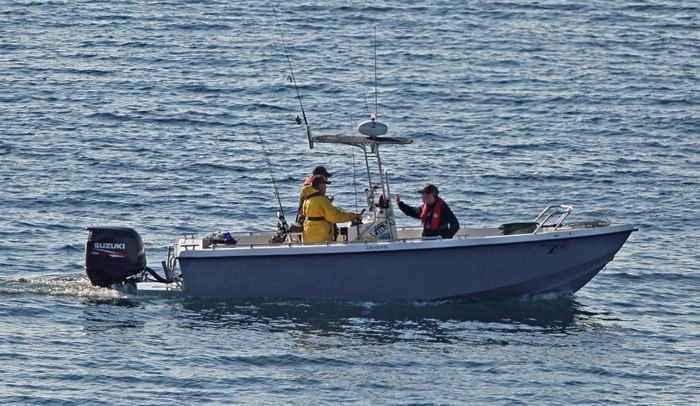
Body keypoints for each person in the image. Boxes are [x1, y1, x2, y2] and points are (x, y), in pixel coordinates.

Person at [301, 175, 362, 242]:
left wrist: (328, 202)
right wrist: (353, 216)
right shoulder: (321, 200)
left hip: (309, 236)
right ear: (320, 185)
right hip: (320, 238)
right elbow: (336, 216)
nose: (326, 187)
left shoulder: (308, 199)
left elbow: (315, 211)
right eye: (324, 184)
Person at [395, 183, 460, 239]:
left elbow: (455, 225)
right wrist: (400, 204)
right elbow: (414, 212)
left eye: (423, 194)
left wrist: (446, 238)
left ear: (430, 195)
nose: (421, 196)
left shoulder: (443, 208)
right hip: (427, 238)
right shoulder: (426, 206)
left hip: (439, 241)